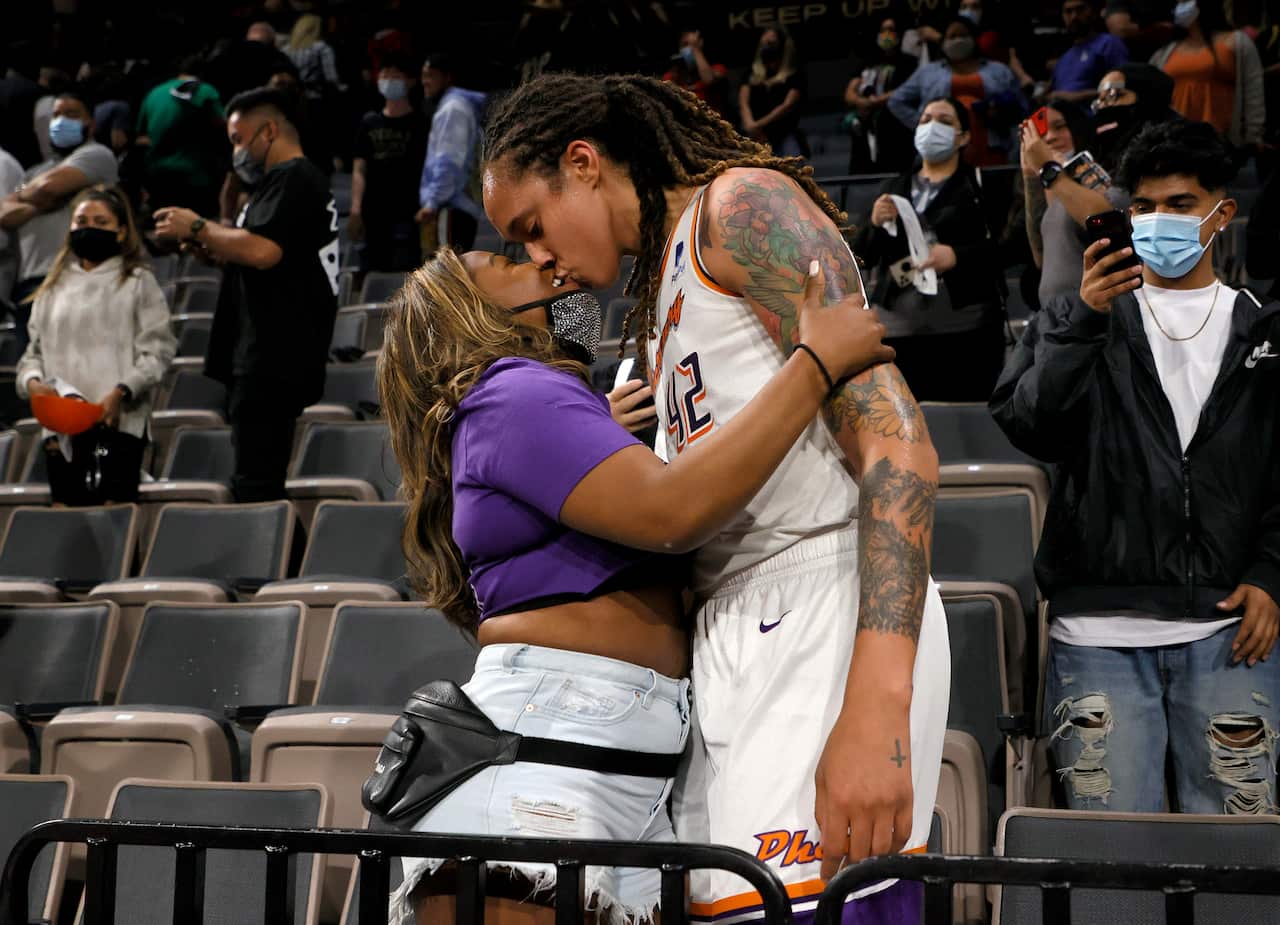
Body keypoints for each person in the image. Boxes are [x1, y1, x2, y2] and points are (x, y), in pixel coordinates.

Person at [481, 72, 951, 924]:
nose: (537, 257)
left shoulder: (741, 208)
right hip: (734, 630)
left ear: (582, 163)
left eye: (532, 227)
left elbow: (899, 445)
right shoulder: (654, 291)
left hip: (824, 601)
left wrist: (878, 702)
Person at [377, 247, 893, 925]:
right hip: (546, 757)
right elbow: (672, 514)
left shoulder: (529, 400)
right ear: (468, 308)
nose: (551, 263)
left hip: (621, 766)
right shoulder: (511, 388)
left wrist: (595, 428)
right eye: (507, 257)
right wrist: (815, 364)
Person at [991, 119, 1280, 815]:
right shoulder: (1075, 317)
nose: (1157, 221)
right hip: (1094, 637)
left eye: (1179, 205)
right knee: (1114, 867)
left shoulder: (1264, 331)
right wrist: (1084, 320)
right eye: (1143, 206)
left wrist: (1272, 572)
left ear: (1221, 212)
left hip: (1228, 635)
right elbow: (1030, 423)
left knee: (1237, 864)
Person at [154, 88, 338, 503]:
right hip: (263, 352)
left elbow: (264, 250)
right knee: (252, 476)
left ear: (269, 131)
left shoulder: (295, 177)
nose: (236, 152)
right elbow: (257, 252)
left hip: (274, 354)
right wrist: (209, 248)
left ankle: (260, 566)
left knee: (256, 483)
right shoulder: (276, 184)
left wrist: (198, 226)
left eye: (239, 140)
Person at [16, 186, 175, 505]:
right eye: (81, 220)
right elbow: (33, 354)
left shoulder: (137, 282)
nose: (89, 228)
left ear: (121, 231)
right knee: (68, 522)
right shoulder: (52, 287)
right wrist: (33, 383)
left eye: (101, 222)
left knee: (112, 521)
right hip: (60, 428)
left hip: (118, 424)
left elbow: (157, 351)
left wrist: (120, 393)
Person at [856, 97, 1006, 400]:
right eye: (925, 119)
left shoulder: (982, 186)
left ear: (963, 137)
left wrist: (957, 256)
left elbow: (1008, 250)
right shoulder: (891, 188)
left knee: (962, 426)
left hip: (965, 332)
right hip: (898, 331)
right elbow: (863, 256)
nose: (931, 126)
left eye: (944, 121)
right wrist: (873, 224)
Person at [0, 91, 118, 346]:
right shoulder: (32, 172)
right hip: (28, 286)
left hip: (73, 276)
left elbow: (47, 188)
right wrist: (44, 200)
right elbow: (4, 213)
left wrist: (35, 196)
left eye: (71, 114)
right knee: (36, 378)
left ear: (91, 123)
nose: (61, 121)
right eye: (56, 115)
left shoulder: (96, 155)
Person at [889, 16, 1026, 166]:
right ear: (943, 41)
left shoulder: (999, 71)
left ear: (974, 39)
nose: (958, 40)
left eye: (963, 35)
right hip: (940, 150)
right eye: (952, 36)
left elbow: (1023, 109)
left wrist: (1002, 112)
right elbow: (896, 101)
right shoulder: (928, 72)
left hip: (993, 147)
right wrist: (925, 124)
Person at [1151, 0, 1265, 151]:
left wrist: (1253, 136)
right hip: (1175, 145)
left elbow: (1254, 90)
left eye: (1184, 1)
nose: (1179, 6)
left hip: (1222, 146)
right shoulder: (1165, 52)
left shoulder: (1236, 42)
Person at [350, 53, 427, 273]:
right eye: (384, 74)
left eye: (396, 74)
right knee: (375, 270)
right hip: (374, 212)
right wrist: (355, 210)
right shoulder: (369, 122)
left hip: (410, 211)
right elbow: (359, 169)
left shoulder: (422, 122)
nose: (389, 79)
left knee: (411, 273)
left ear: (411, 81)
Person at [135, 56, 228, 218]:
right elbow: (225, 127)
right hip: (195, 176)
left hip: (157, 175)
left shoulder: (155, 93)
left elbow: (141, 136)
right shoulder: (205, 90)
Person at [415, 53, 486, 256]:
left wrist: (432, 203)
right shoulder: (453, 106)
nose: (425, 81)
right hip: (453, 208)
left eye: (431, 75)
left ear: (447, 78)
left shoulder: (453, 108)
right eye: (423, 75)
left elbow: (449, 161)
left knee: (448, 278)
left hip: (451, 208)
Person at [844, 16, 918, 174]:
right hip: (867, 127)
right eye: (883, 30)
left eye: (891, 30)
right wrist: (860, 101)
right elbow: (850, 92)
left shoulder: (908, 62)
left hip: (895, 127)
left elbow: (905, 89)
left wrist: (876, 101)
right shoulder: (867, 62)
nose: (886, 34)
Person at [738, 28, 809, 157]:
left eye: (771, 42)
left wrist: (758, 125)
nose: (767, 46)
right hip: (756, 135)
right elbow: (744, 103)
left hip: (783, 133)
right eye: (765, 42)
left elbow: (787, 106)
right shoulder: (752, 73)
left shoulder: (794, 74)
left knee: (792, 163)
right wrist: (750, 126)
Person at [1050, 0, 1131, 106]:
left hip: (1096, 115)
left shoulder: (1108, 44)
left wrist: (1077, 96)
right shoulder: (1063, 58)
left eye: (1080, 9)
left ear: (1092, 12)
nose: (1074, 17)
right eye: (1068, 12)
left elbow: (1123, 87)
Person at [662, 29, 730, 121]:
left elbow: (708, 79)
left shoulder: (718, 68)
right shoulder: (672, 76)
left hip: (713, 123)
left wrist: (695, 50)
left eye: (693, 44)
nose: (689, 49)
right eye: (685, 44)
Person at [284, 14, 343, 97]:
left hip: (291, 95)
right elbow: (331, 77)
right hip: (316, 96)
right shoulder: (321, 47)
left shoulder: (285, 49)